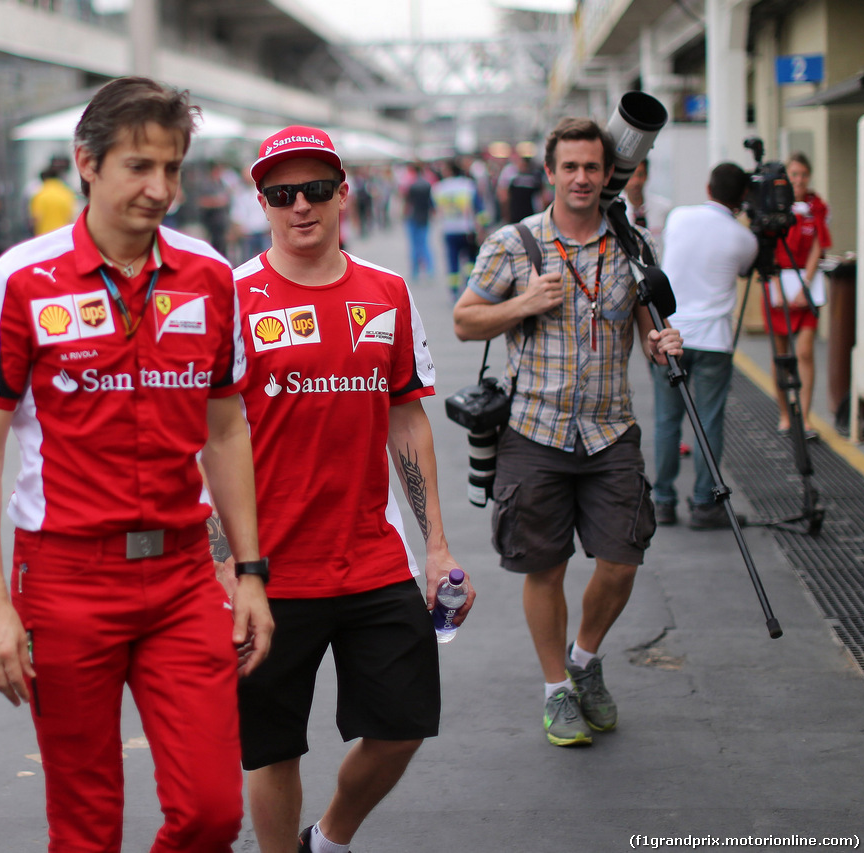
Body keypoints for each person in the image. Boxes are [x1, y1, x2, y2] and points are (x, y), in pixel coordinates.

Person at [0, 76, 273, 853]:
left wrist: (251, 570)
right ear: (86, 163)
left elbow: (226, 430)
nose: (159, 188)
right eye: (139, 166)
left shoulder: (209, 277)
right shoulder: (20, 280)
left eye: (171, 168)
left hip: (181, 578)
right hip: (64, 580)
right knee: (86, 825)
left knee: (210, 813)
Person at [231, 125, 472, 853]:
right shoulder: (230, 297)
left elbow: (406, 418)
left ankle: (329, 838)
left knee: (403, 723)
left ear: (343, 193)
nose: (299, 206)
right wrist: (226, 567)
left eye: (314, 190)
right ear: (263, 202)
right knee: (274, 746)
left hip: (373, 557)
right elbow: (202, 447)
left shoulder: (387, 293)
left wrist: (434, 546)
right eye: (281, 194)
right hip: (268, 570)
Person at [453, 117, 683, 747]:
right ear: (550, 172)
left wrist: (662, 343)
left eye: (593, 167)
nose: (582, 178)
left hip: (611, 431)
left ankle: (585, 659)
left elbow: (649, 329)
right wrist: (522, 304)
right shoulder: (512, 244)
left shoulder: (632, 247)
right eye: (571, 167)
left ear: (608, 174)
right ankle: (557, 689)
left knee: (622, 561)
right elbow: (466, 321)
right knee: (544, 568)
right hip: (533, 432)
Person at [651, 163, 758, 529]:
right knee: (708, 421)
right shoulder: (745, 238)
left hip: (671, 334)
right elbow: (745, 269)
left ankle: (662, 502)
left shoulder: (679, 217)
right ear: (743, 196)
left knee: (667, 421)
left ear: (708, 187)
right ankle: (704, 502)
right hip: (714, 340)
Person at [768, 151, 830, 438]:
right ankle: (783, 413)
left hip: (806, 284)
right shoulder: (775, 207)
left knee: (804, 352)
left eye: (803, 174)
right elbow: (769, 250)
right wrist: (778, 286)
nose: (799, 180)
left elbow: (819, 244)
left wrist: (806, 283)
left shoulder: (816, 207)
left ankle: (804, 417)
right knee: (780, 354)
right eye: (794, 175)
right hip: (778, 283)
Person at [433, 158, 482, 301]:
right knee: (470, 260)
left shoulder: (438, 187)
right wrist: (481, 227)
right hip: (467, 229)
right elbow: (478, 208)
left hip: (448, 229)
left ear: (448, 171)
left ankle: (454, 291)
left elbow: (436, 209)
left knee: (452, 261)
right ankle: (469, 287)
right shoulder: (468, 185)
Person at [620, 159, 672, 255]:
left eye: (640, 175)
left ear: (646, 176)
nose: (636, 182)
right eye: (631, 176)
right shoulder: (614, 212)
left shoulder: (663, 209)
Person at [401, 163, 435, 281]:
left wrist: (404, 215)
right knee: (424, 244)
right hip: (424, 217)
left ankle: (415, 271)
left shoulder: (412, 186)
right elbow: (431, 203)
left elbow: (408, 203)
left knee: (414, 245)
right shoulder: (427, 184)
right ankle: (430, 269)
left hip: (413, 217)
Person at [498, 151, 546, 225]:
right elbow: (504, 197)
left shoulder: (535, 174)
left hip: (530, 215)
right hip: (516, 214)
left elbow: (543, 197)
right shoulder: (510, 173)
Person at [27, 163, 76, 236]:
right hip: (63, 236)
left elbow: (36, 219)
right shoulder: (67, 193)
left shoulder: (39, 195)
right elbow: (71, 217)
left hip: (44, 237)